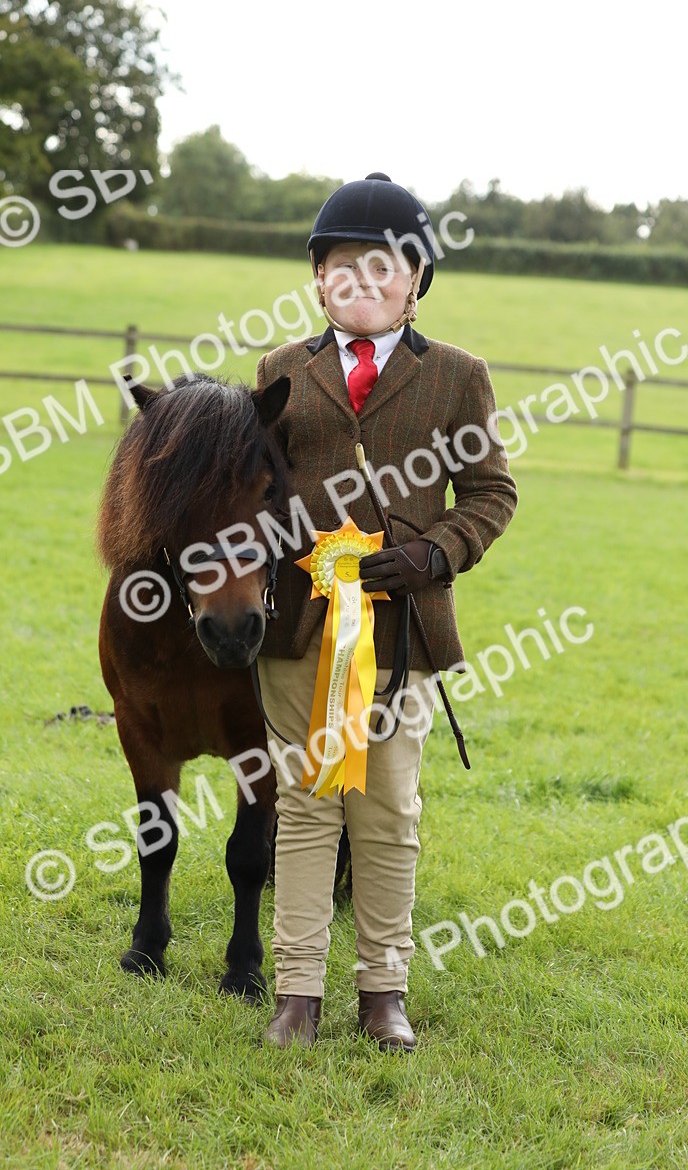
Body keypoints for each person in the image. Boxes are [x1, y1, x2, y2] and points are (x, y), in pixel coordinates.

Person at [255, 173, 518, 1050]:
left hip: (403, 632)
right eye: (342, 265)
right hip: (298, 625)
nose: (360, 281)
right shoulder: (281, 370)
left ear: (415, 282)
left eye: (383, 267)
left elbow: (490, 492)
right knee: (304, 805)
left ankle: (383, 991)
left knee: (388, 808)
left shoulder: (457, 376)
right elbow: (256, 490)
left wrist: (435, 554)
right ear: (317, 278)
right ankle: (297, 992)